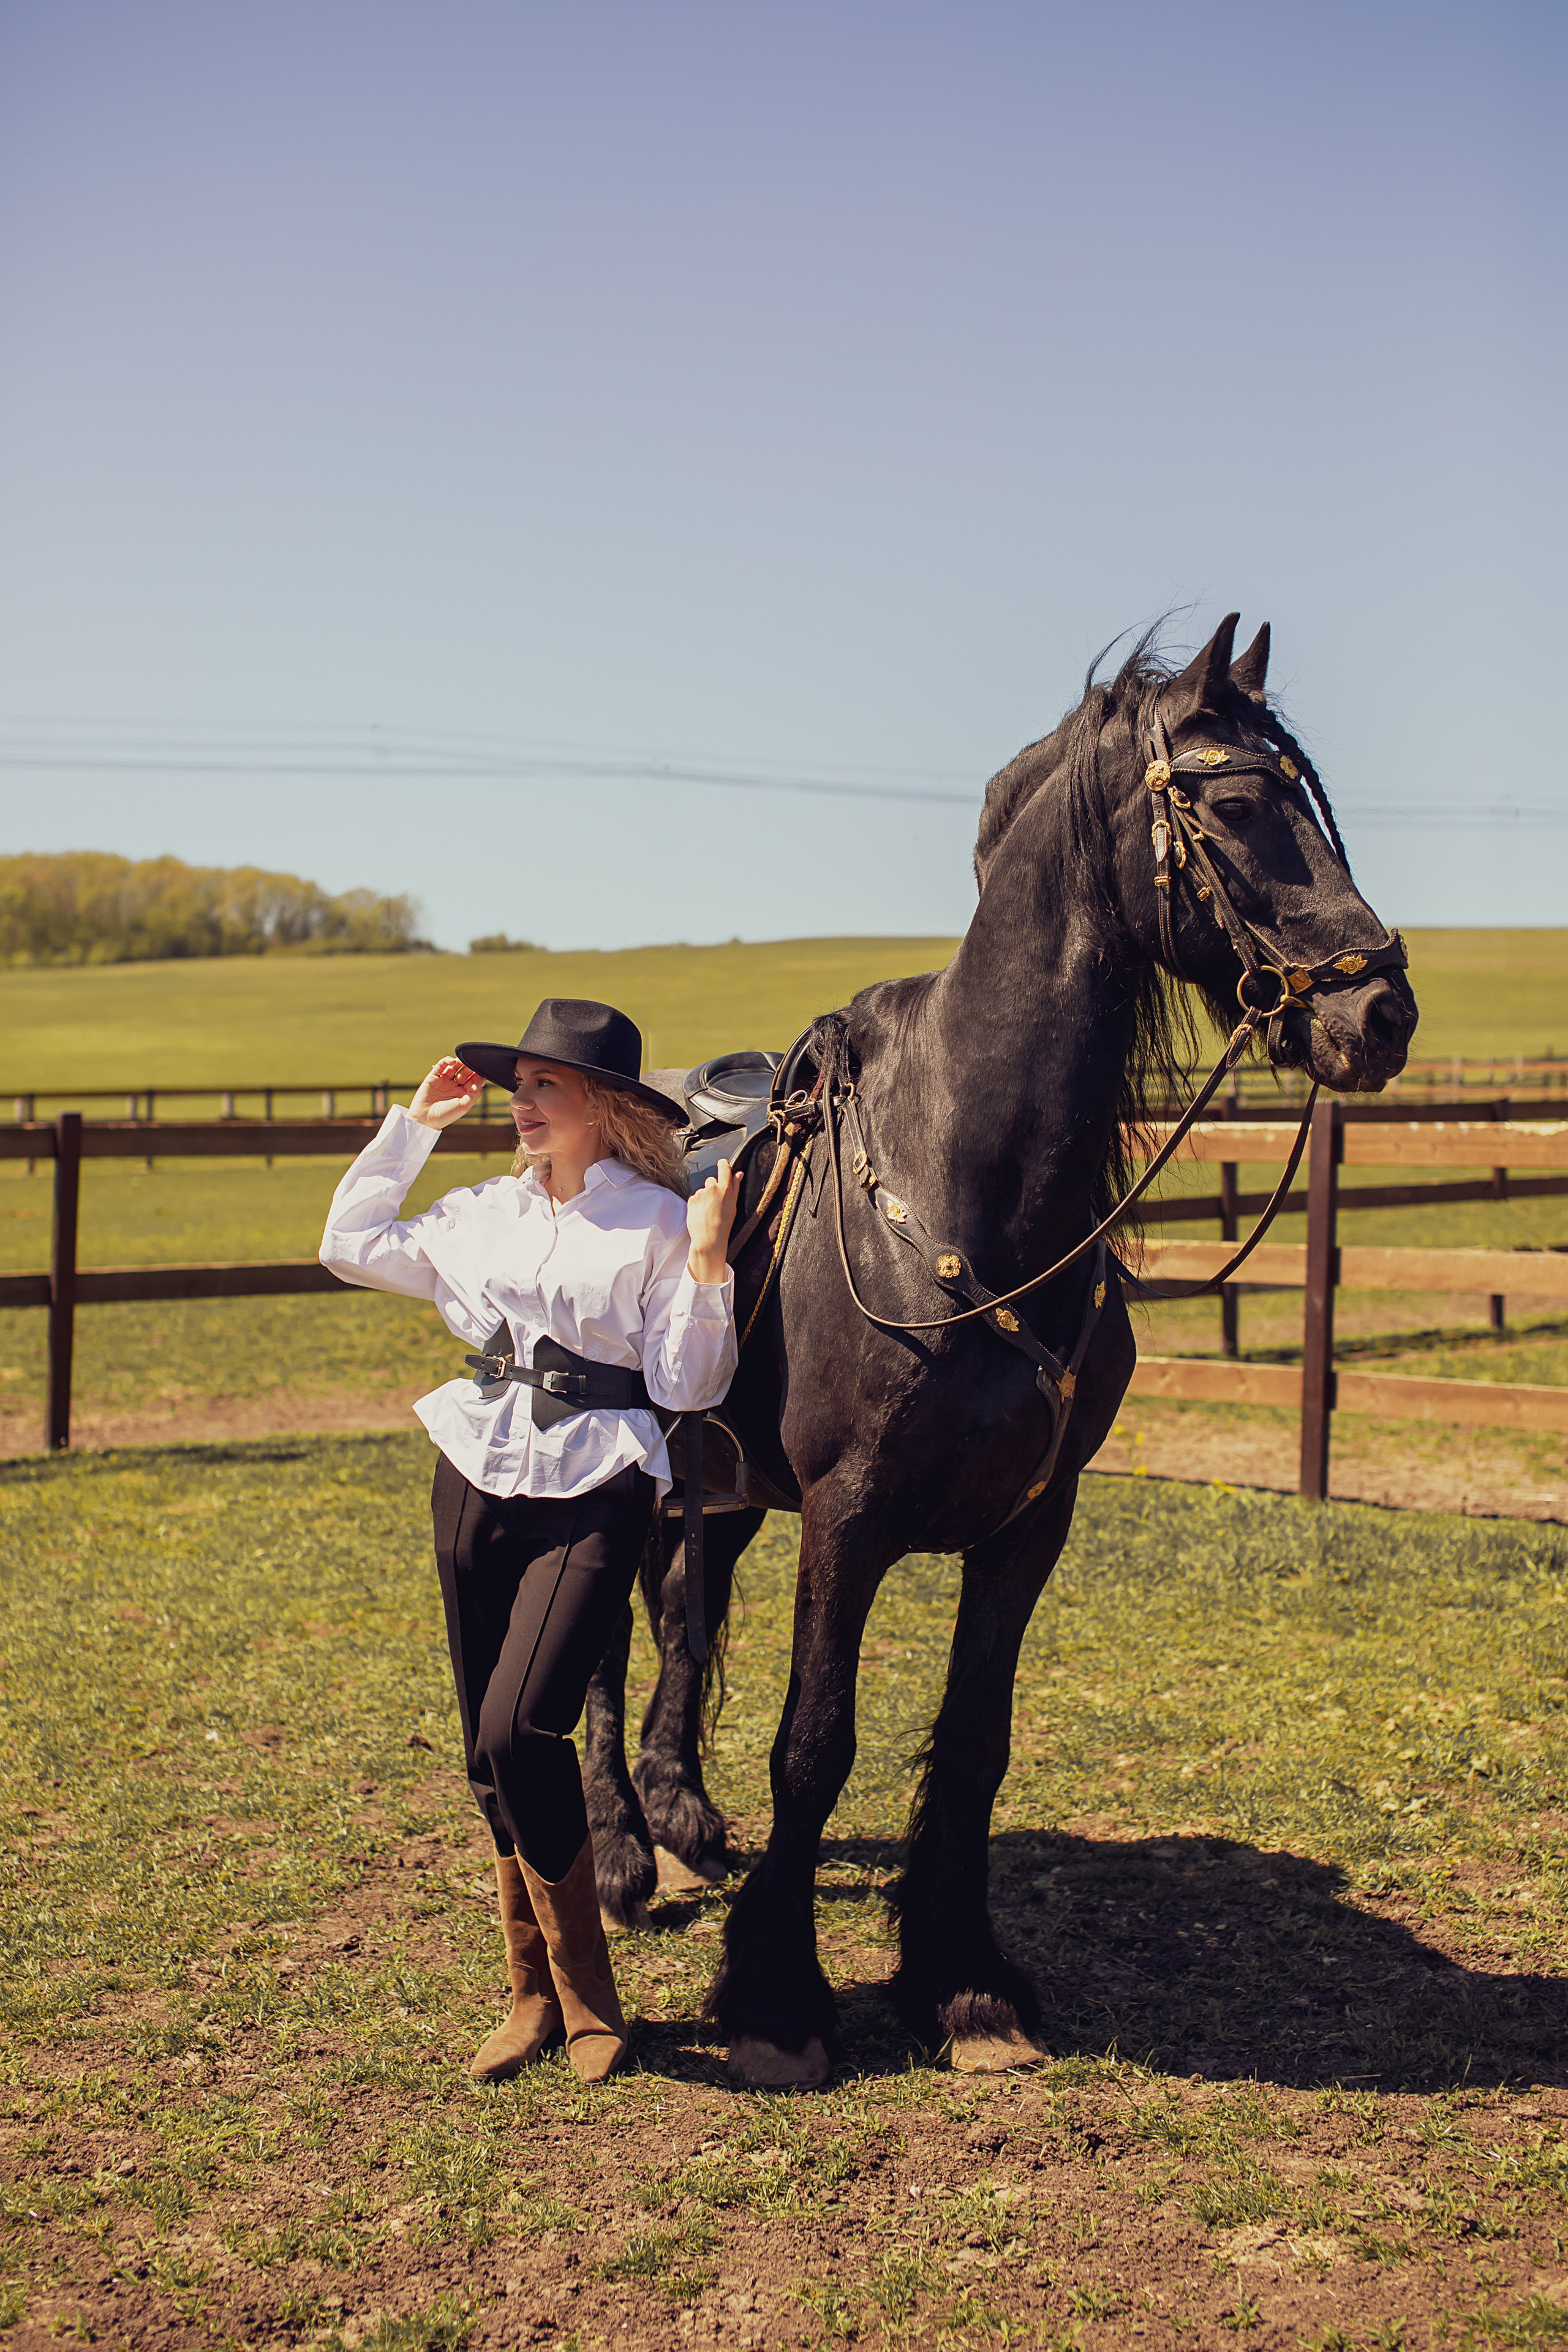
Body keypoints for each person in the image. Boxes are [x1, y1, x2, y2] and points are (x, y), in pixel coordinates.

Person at [319, 997, 738, 2084]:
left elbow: (688, 1385)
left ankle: (592, 2001)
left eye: (546, 1087)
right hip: (474, 1468)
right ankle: (531, 1998)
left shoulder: (655, 1220)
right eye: (520, 1087)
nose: (523, 1104)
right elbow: (349, 1245)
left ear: (604, 1105)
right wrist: (411, 1130)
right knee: (482, 1753)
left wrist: (705, 1263)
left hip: (597, 1483)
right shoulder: (478, 1214)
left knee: (521, 1730)